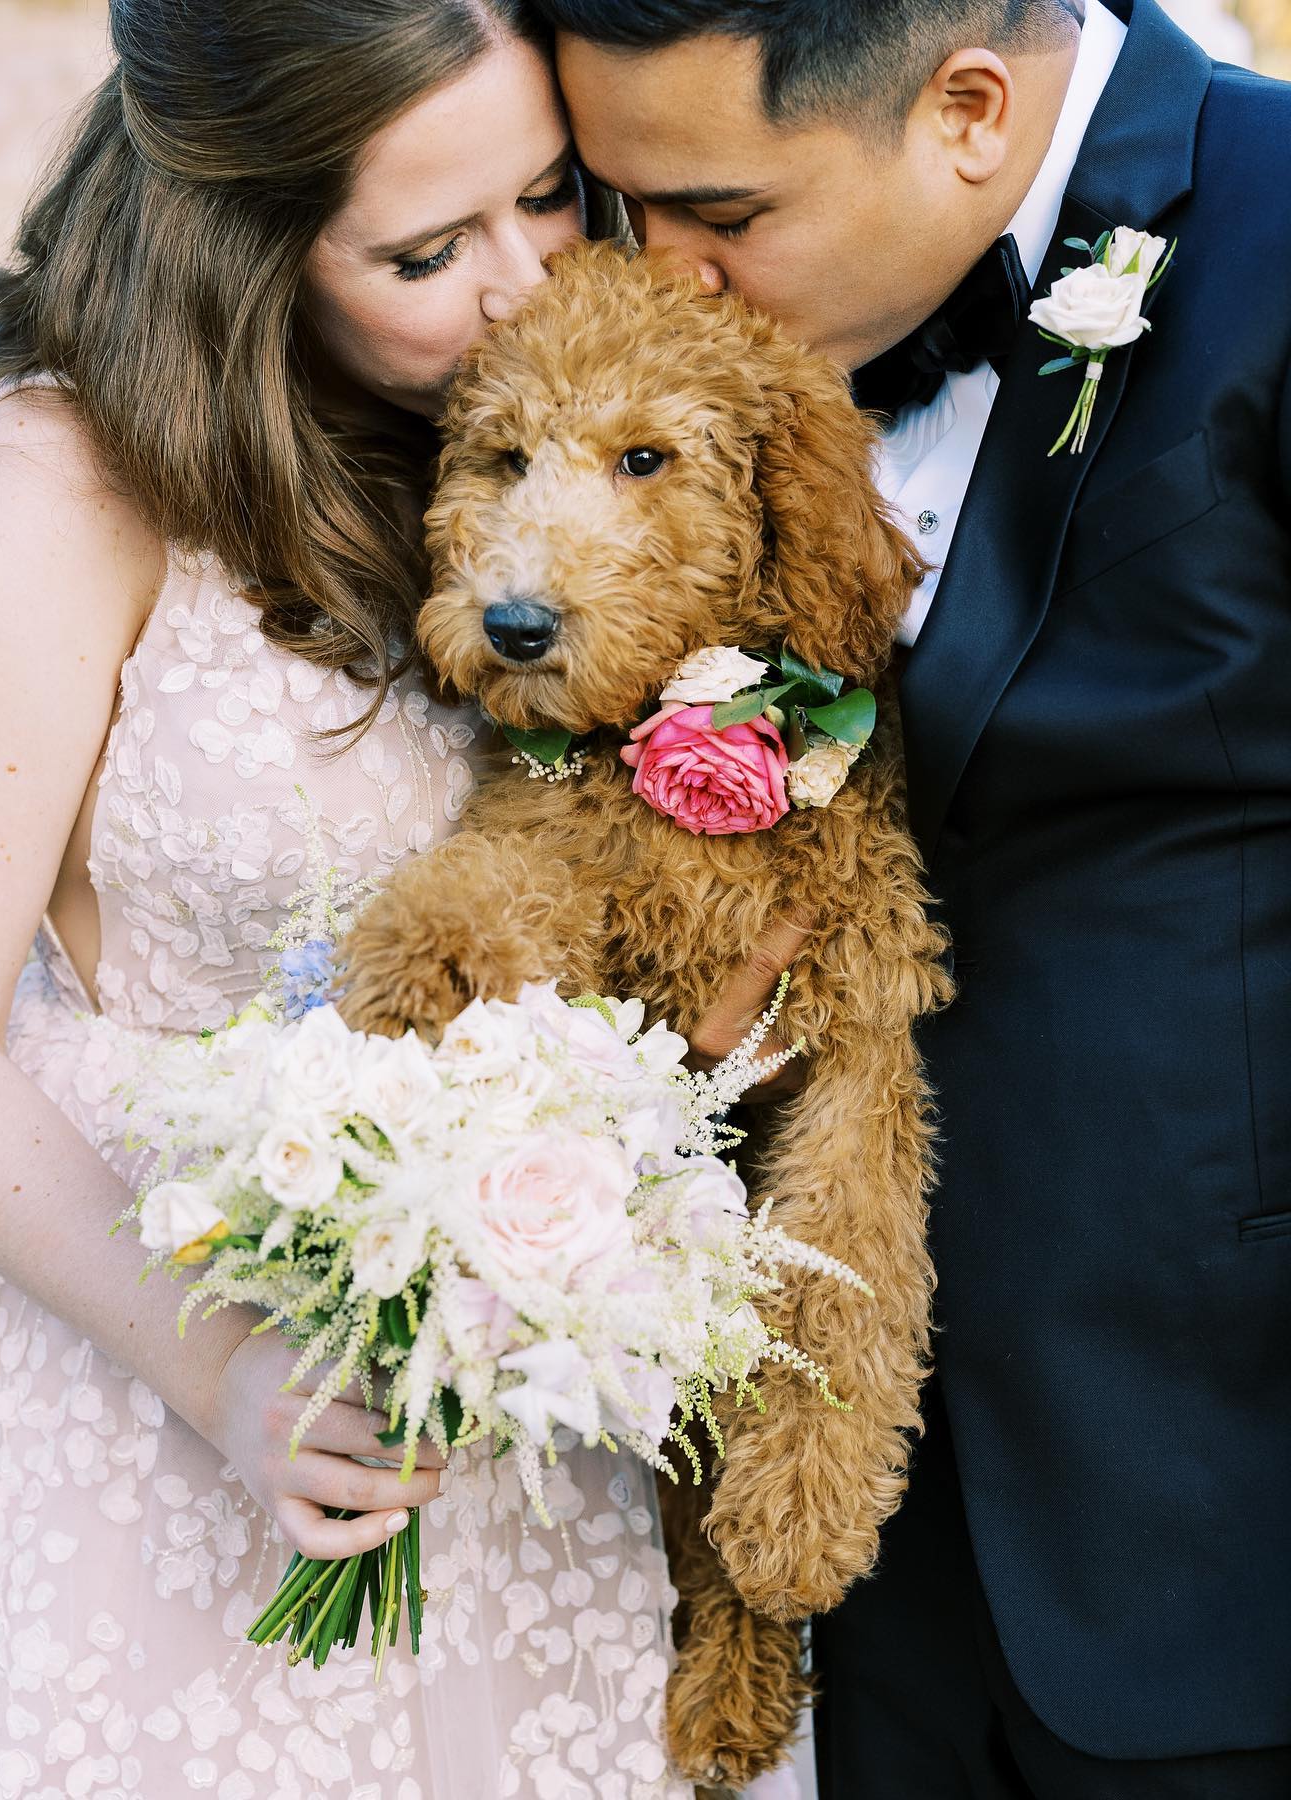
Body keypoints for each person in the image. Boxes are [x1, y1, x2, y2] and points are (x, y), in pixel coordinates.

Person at [0, 2, 779, 1791]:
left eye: (550, 196)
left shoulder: (535, 444)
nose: (520, 283)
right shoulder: (55, 485)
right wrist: (226, 1374)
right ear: (247, 249)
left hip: (527, 1387)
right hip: (146, 1362)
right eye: (429, 251)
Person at [530, 1, 1291, 1796]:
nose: (668, 278)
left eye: (718, 217)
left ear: (966, 110)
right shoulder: (691, 361)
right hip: (835, 1506)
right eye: (623, 210)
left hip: (1220, 1479)